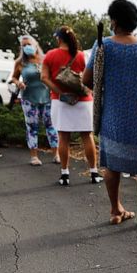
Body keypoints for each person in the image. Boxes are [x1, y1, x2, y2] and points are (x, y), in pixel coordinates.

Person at [83, 0, 137, 228]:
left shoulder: (103, 46)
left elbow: (87, 79)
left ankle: (115, 210)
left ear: (115, 21)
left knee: (111, 165)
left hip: (112, 115)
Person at [42, 25, 100, 183]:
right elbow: (90, 78)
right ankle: (94, 172)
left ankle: (65, 174)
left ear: (59, 38)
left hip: (61, 101)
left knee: (63, 137)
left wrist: (60, 92)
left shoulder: (50, 55)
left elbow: (44, 77)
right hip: (83, 100)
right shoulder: (82, 56)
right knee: (87, 136)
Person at [10, 34, 58, 166]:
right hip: (29, 99)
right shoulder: (20, 62)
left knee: (52, 126)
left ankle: (56, 154)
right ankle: (34, 156)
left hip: (47, 97)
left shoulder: (45, 59)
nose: (26, 47)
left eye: (28, 44)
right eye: (23, 45)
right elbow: (13, 77)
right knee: (32, 127)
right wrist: (17, 83)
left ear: (35, 45)